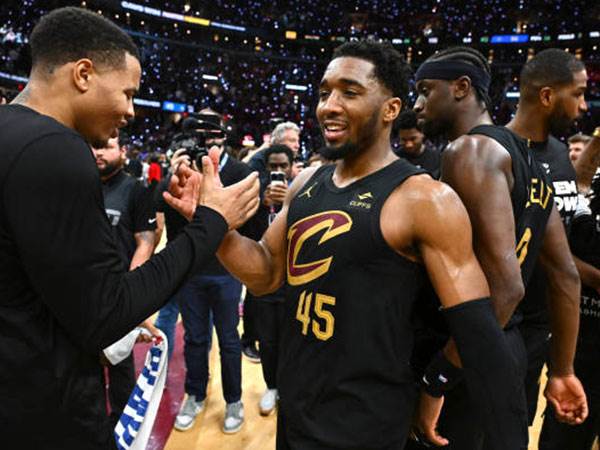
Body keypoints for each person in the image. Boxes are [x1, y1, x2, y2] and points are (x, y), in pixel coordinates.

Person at [205, 39, 525, 449]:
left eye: (350, 92)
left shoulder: (424, 199)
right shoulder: (307, 182)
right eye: (324, 93)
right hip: (297, 408)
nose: (329, 106)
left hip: (369, 423)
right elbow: (266, 271)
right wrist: (216, 228)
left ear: (391, 109)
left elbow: (480, 335)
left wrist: (503, 433)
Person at [0, 7, 259, 448]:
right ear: (83, 74)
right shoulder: (56, 148)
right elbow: (107, 313)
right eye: (127, 93)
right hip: (44, 417)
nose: (131, 111)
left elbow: (45, 288)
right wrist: (211, 223)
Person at [410, 46, 586, 449]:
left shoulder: (469, 150)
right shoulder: (530, 161)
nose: (417, 104)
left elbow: (506, 288)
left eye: (426, 90)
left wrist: (438, 377)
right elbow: (565, 276)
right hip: (507, 350)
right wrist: (562, 370)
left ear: (461, 88)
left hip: (467, 352)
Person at [154, 110, 255, 434]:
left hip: (226, 271)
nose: (206, 139)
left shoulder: (239, 170)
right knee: (195, 339)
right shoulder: (182, 169)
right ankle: (195, 395)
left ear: (223, 136)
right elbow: (161, 208)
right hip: (192, 271)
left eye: (212, 132)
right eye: (199, 133)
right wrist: (171, 176)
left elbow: (251, 224)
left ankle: (234, 400)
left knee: (229, 340)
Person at [506, 48, 590, 427]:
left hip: (543, 326)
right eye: (579, 93)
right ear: (546, 96)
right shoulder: (495, 153)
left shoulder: (559, 153)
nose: (584, 105)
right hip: (506, 325)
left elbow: (562, 249)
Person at [93, 134, 161, 426]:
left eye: (106, 147)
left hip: (117, 294)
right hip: (81, 292)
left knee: (120, 366)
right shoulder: (79, 185)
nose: (98, 153)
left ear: (122, 151)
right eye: (94, 146)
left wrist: (132, 296)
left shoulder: (135, 190)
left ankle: (121, 427)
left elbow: (145, 243)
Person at [251, 144, 295, 416]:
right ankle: (271, 386)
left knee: (294, 341)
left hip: (296, 281)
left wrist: (290, 202)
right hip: (266, 281)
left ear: (292, 166)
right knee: (267, 341)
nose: (278, 170)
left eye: (283, 166)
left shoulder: (305, 192)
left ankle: (290, 388)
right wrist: (263, 205)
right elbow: (248, 235)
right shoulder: (257, 194)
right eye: (273, 166)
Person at [394, 109, 442, 178]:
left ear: (422, 133)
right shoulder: (395, 159)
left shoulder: (437, 159)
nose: (409, 145)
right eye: (404, 140)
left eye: (413, 139)